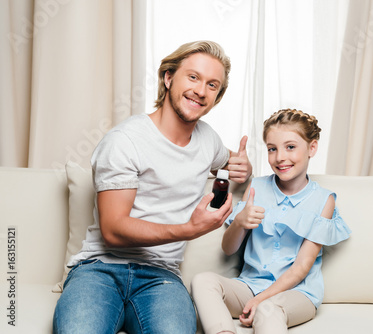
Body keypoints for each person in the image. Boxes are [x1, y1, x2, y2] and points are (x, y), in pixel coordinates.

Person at [53, 40, 252, 334]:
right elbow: (113, 229)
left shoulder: (208, 140)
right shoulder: (125, 140)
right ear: (168, 77)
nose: (200, 91)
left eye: (212, 85)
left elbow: (229, 163)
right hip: (100, 269)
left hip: (162, 277)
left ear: (217, 97)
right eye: (193, 77)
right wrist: (189, 229)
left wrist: (243, 167)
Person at [191, 108, 352, 334]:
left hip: (297, 293)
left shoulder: (324, 200)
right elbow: (228, 249)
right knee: (202, 280)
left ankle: (265, 304)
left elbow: (301, 268)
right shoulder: (256, 187)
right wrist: (239, 222)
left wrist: (260, 301)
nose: (280, 157)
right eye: (272, 149)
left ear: (312, 148)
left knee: (269, 309)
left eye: (291, 147)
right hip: (250, 285)